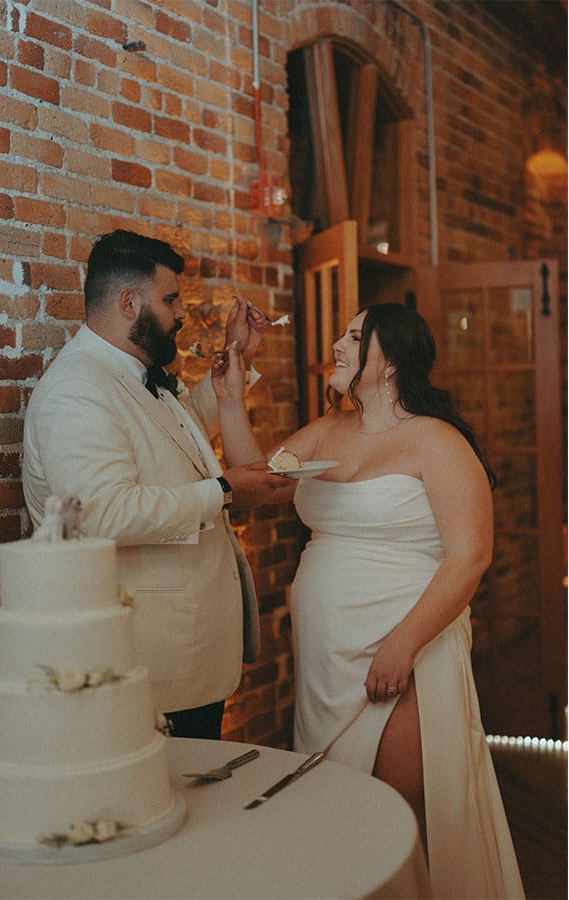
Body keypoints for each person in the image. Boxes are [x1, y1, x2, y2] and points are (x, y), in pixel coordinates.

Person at [211, 302, 525, 899]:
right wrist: (230, 396)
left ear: (391, 362)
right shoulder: (327, 429)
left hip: (407, 644)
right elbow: (254, 485)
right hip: (327, 656)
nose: (337, 343)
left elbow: (470, 556)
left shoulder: (437, 441)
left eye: (355, 336)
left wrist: (401, 647)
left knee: (397, 808)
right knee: (337, 810)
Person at [22, 229, 293, 741]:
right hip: (143, 660)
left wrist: (239, 360)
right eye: (170, 300)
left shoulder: (138, 375)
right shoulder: (77, 390)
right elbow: (101, 511)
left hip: (186, 656)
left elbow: (179, 443)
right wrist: (226, 492)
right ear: (129, 302)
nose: (181, 314)